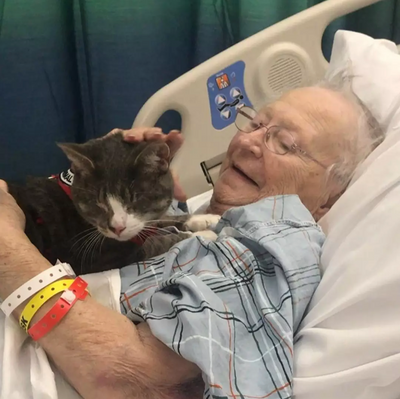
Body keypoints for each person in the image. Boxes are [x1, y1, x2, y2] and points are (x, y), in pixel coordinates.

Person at [0, 84, 382, 399]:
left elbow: (139, 383)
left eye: (284, 142)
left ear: (331, 195)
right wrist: (104, 176)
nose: (250, 143)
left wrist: (7, 249)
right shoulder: (196, 217)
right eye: (256, 123)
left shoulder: (273, 245)